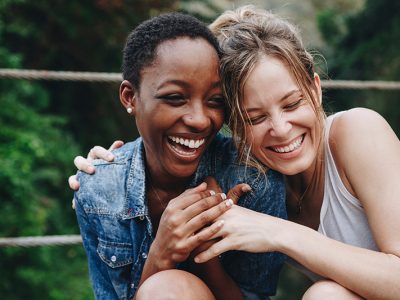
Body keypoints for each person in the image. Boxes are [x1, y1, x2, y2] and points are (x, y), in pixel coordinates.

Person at [188, 6, 400, 300]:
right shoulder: (254, 181)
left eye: (291, 104)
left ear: (314, 89)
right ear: (234, 126)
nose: (282, 129)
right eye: (255, 118)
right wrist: (109, 164)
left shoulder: (358, 132)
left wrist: (280, 233)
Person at [71, 12, 286, 300]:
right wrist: (162, 254)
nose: (199, 120)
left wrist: (206, 253)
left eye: (215, 101)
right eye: (175, 98)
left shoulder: (252, 179)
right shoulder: (99, 190)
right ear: (129, 97)